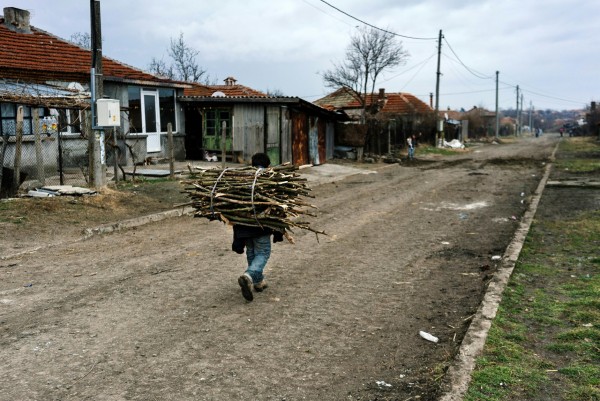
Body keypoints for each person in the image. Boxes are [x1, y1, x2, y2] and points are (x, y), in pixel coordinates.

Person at [231, 153, 284, 302]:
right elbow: (278, 208)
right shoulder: (269, 181)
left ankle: (258, 282)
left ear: (252, 164)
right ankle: (248, 276)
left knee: (252, 253)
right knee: (263, 253)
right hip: (261, 227)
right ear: (268, 166)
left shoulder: (240, 180)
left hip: (244, 228)